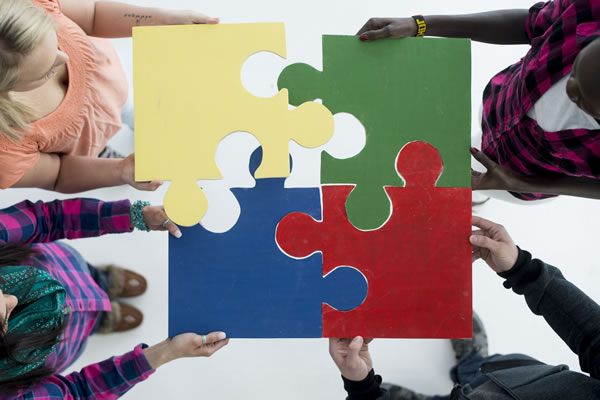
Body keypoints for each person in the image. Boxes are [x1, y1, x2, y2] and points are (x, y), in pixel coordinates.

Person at [329, 216, 600, 399]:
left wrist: (363, 388)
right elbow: (595, 337)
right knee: (480, 369)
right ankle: (472, 359)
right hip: (516, 377)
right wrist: (523, 270)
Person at [357, 0, 600, 201]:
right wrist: (421, 24)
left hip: (521, 175)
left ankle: (480, 191)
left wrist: (517, 182)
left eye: (584, 102)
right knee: (471, 147)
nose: (568, 87)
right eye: (576, 69)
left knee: (478, 181)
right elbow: (531, 22)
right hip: (498, 104)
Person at [0, 197, 229, 398]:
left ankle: (101, 279)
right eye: (2, 319)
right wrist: (165, 352)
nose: (11, 300)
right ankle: (99, 321)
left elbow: (47, 219)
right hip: (71, 340)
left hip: (66, 267)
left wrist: (134, 215)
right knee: (88, 324)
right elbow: (77, 393)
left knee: (88, 275)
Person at [0, 0, 219, 193]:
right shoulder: (5, 150)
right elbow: (58, 174)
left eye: (56, 38)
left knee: (133, 110)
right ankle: (103, 153)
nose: (64, 57)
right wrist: (119, 170)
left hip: (112, 82)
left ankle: (133, 115)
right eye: (47, 71)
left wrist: (163, 19)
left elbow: (93, 13)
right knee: (95, 154)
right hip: (85, 142)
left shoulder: (25, 5)